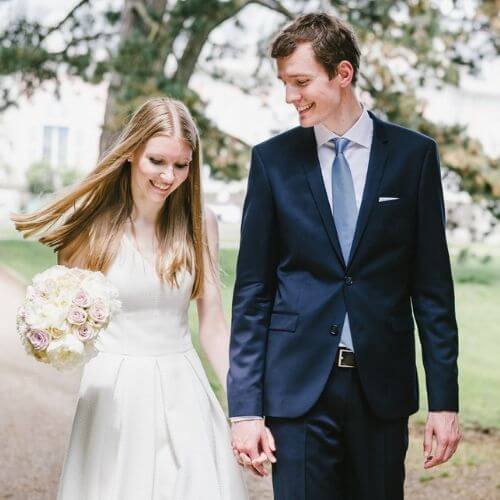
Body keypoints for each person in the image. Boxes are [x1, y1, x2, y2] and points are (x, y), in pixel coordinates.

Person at [228, 13, 461, 500]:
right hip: (298, 390)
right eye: (285, 84)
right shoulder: (271, 162)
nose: (290, 96)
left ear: (343, 73)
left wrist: (444, 403)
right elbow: (252, 293)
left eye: (301, 81)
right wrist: (246, 410)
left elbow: (433, 290)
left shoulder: (413, 157)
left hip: (381, 390)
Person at [13, 97, 248, 500]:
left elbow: (212, 325)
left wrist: (242, 406)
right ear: (130, 153)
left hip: (183, 385)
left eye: (181, 165)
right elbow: (65, 310)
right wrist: (56, 334)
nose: (168, 176)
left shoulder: (199, 222)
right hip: (114, 392)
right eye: (157, 161)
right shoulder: (92, 228)